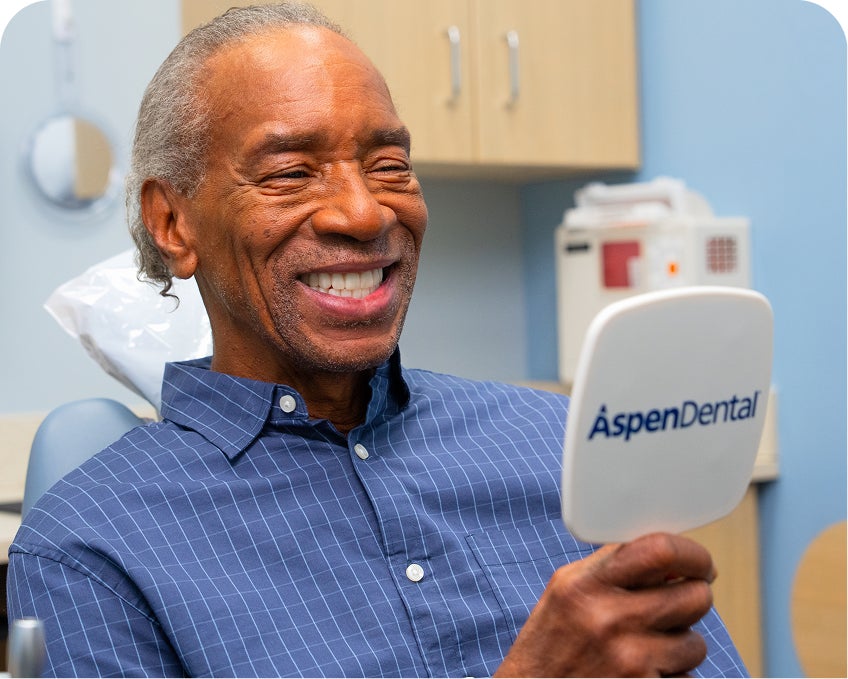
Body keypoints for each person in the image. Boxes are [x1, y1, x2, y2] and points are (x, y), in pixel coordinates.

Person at [7, 3, 747, 677]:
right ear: (173, 225)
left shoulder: (563, 446)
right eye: (291, 171)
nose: (363, 213)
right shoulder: (89, 551)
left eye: (389, 165)